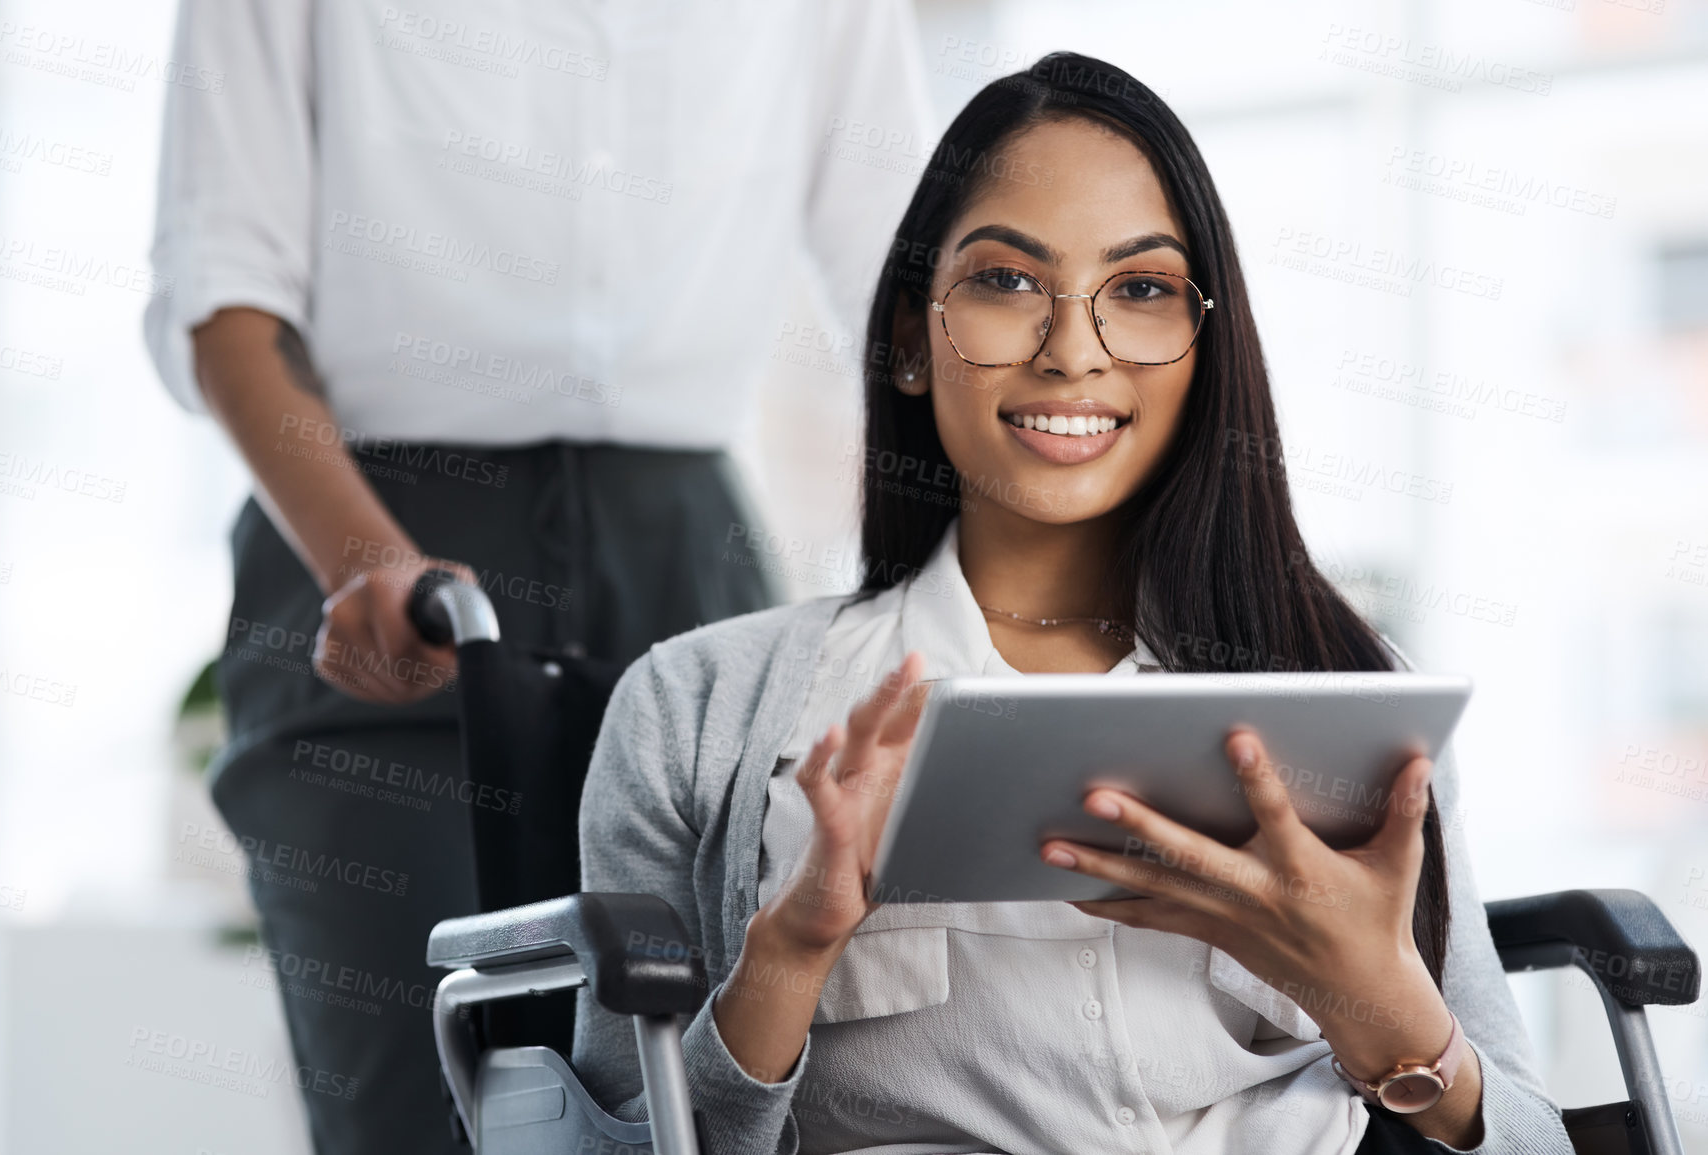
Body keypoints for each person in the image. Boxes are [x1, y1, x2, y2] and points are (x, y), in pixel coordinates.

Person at [572, 53, 1575, 1155]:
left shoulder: (1348, 688)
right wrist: (789, 955)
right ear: (911, 338)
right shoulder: (698, 710)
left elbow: (1533, 1138)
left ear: (1204, 344)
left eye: (1140, 290)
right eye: (1006, 282)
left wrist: (1384, 1012)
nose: (1072, 351)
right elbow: (608, 1141)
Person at [143, 2, 931, 1152]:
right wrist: (366, 560)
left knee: (712, 1103)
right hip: (378, 563)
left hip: (688, 563)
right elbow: (224, 291)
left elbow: (908, 272)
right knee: (420, 1109)